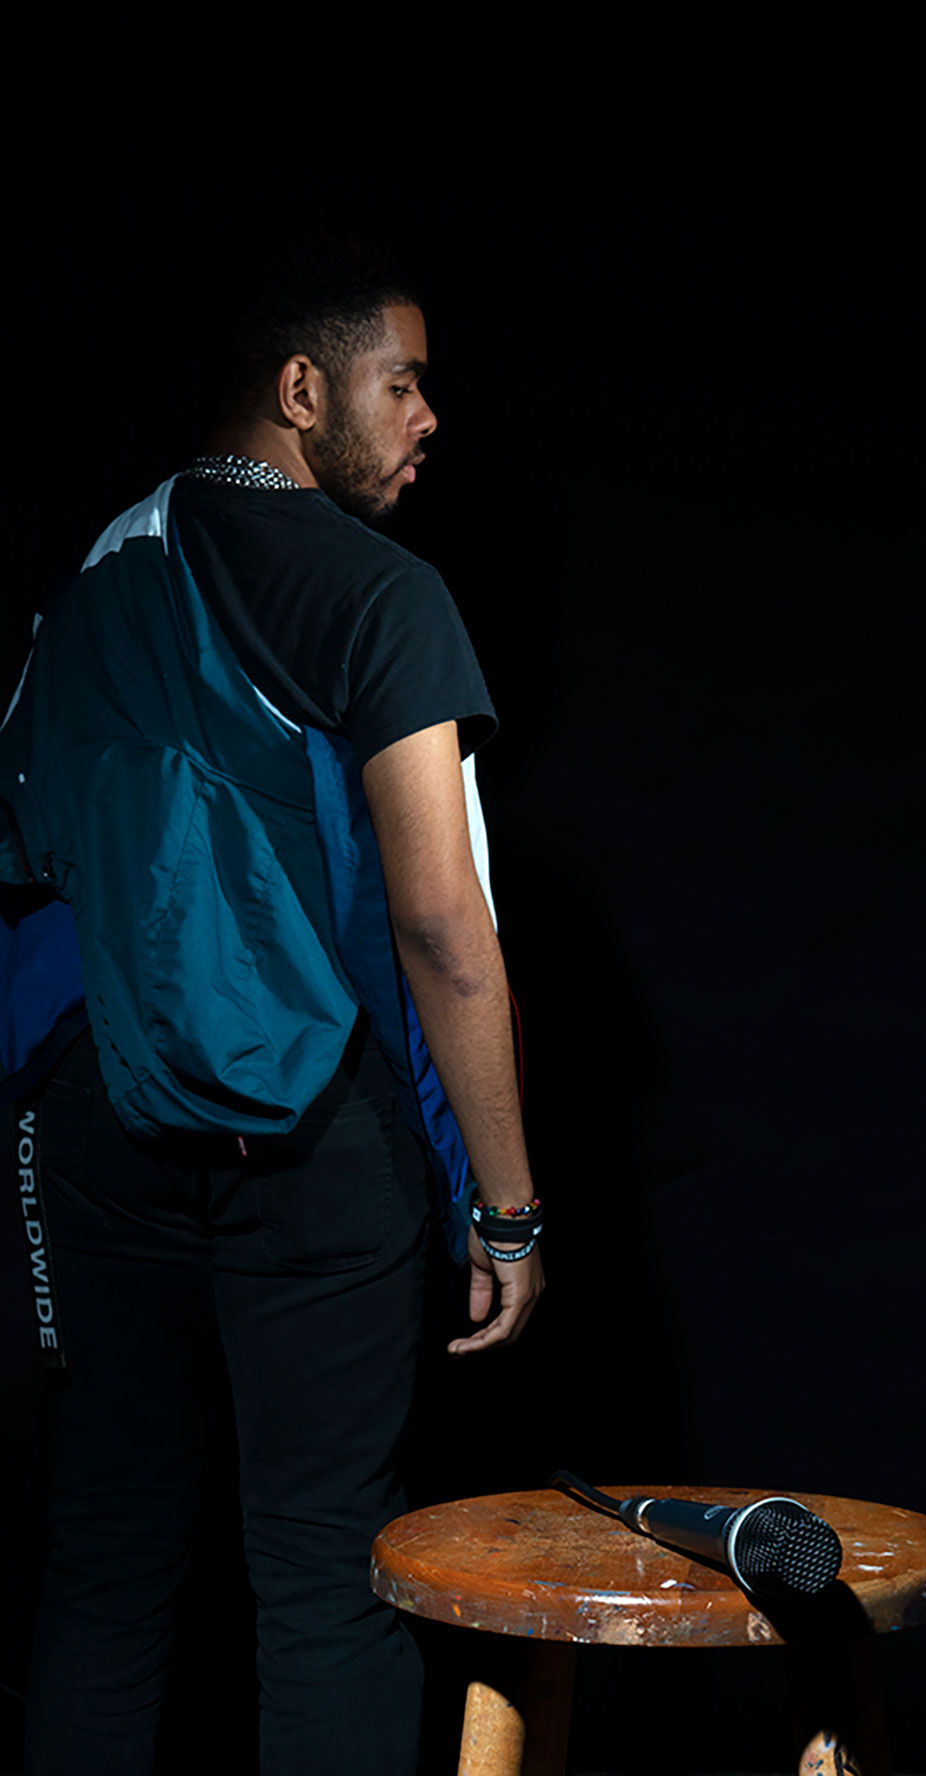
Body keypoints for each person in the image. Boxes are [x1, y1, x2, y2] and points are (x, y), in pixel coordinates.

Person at [0, 220, 543, 1774]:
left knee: (104, 1566)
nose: (429, 419)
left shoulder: (93, 574)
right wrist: (505, 1213)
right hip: (313, 1132)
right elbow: (445, 926)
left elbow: (24, 855)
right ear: (307, 389)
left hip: (96, 1121)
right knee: (322, 1579)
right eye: (405, 384)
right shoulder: (379, 592)